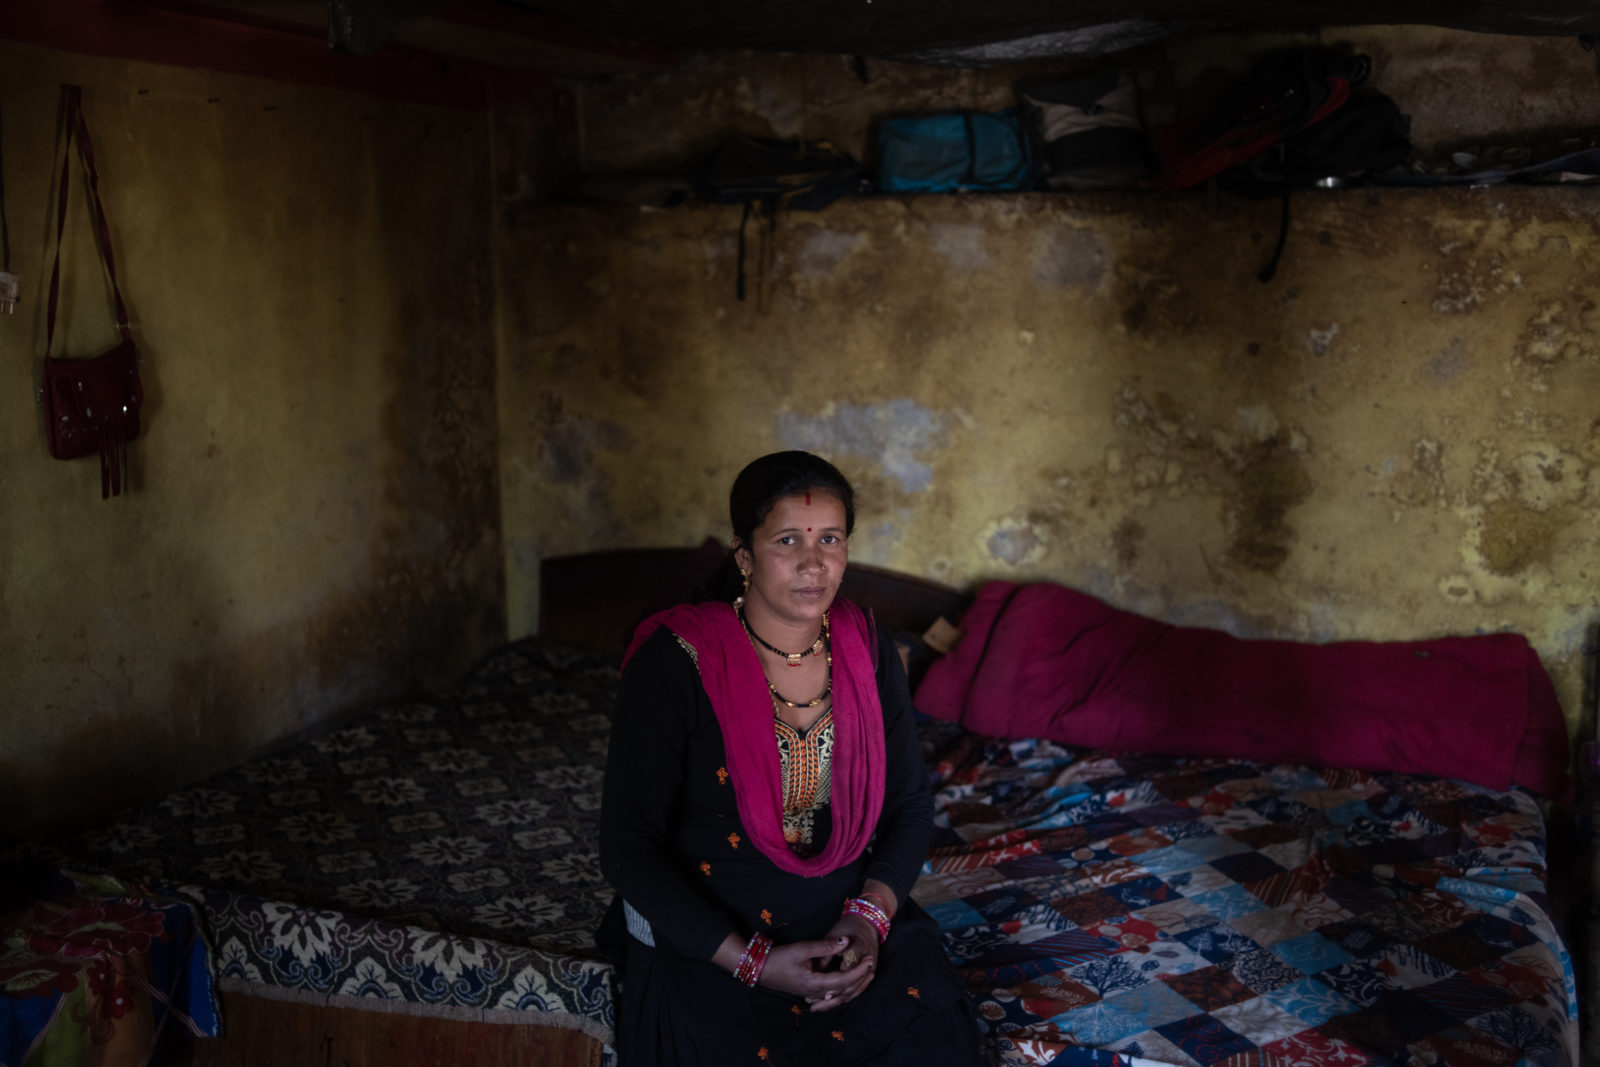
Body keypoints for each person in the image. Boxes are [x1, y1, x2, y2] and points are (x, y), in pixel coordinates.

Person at [599, 450, 980, 1065]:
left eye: (830, 538)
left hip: (843, 916)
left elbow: (909, 802)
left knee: (928, 1036)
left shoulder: (866, 648)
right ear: (744, 556)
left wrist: (869, 920)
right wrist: (755, 963)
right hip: (709, 932)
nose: (813, 562)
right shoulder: (676, 662)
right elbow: (626, 846)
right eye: (787, 540)